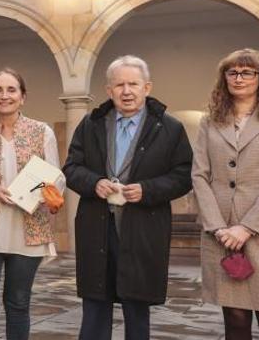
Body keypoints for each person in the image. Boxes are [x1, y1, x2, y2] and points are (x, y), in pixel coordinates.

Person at [64, 55, 192, 340]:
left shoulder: (170, 128)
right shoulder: (91, 124)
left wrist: (148, 189)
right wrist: (93, 182)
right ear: (109, 91)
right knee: (95, 307)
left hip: (142, 228)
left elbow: (184, 175)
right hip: (97, 228)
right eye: (119, 84)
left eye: (133, 84)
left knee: (137, 309)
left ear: (147, 87)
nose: (126, 91)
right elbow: (71, 168)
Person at [192, 48, 259, 340]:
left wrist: (247, 227)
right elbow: (199, 175)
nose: (239, 78)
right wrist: (217, 227)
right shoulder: (210, 121)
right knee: (235, 320)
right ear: (224, 78)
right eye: (232, 72)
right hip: (222, 234)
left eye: (247, 72)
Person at [0, 68, 63, 340]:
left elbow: (53, 175)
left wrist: (40, 192)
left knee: (18, 302)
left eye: (11, 90)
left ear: (23, 96)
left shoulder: (42, 132)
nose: (4, 96)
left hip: (28, 227)